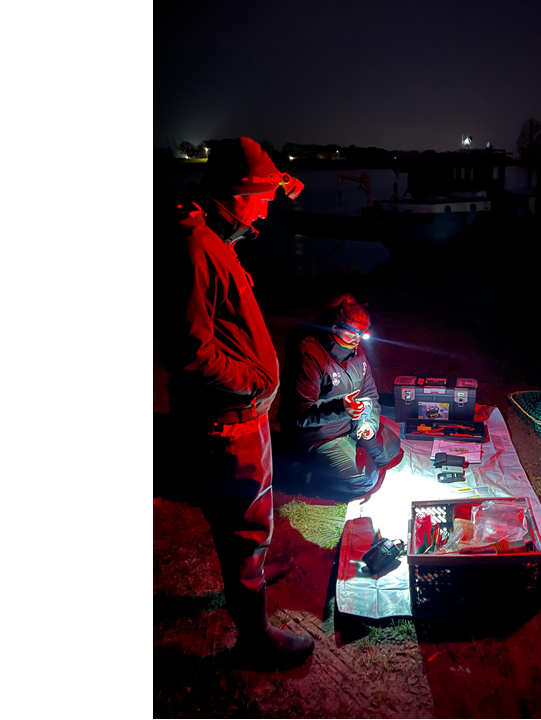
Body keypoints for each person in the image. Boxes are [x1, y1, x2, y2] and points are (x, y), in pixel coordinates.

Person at [157, 137, 314, 667]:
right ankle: (255, 639)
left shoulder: (212, 235)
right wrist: (253, 383)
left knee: (250, 524)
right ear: (239, 193)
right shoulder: (195, 246)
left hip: (242, 418)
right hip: (229, 424)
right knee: (244, 528)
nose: (266, 212)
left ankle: (252, 586)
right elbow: (187, 350)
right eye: (263, 199)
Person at [277, 295, 402, 498]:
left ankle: (352, 450)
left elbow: (370, 393)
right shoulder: (309, 355)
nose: (358, 339)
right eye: (353, 333)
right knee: (365, 479)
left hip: (351, 424)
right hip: (320, 435)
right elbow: (300, 413)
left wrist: (368, 424)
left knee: (392, 450)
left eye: (363, 333)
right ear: (335, 328)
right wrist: (341, 408)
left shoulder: (357, 352)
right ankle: (308, 475)